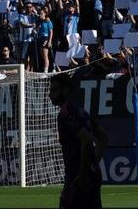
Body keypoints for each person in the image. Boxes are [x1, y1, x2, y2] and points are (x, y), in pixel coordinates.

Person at [49, 73, 107, 209]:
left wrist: (82, 174)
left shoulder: (66, 113)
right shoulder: (81, 111)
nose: (50, 95)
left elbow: (86, 140)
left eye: (54, 90)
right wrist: (93, 164)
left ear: (65, 90)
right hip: (92, 175)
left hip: (78, 177)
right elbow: (103, 138)